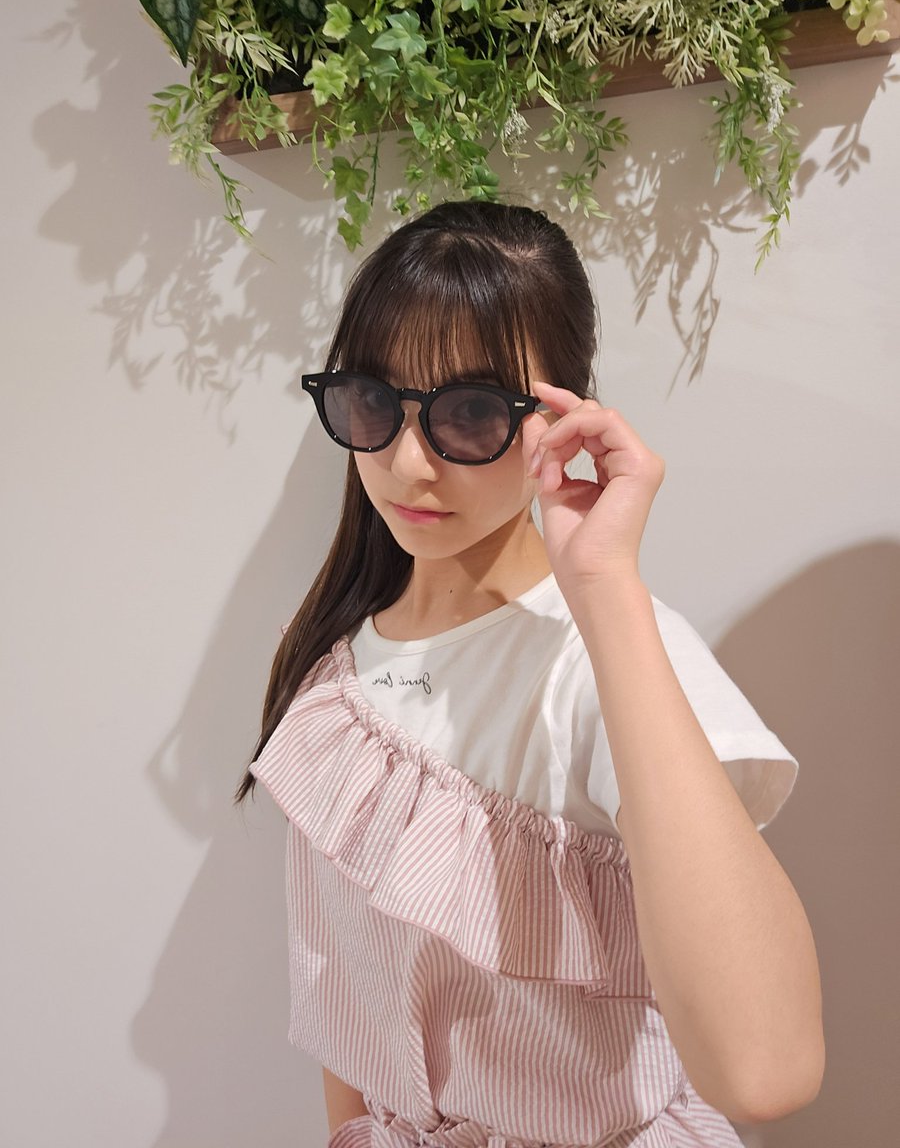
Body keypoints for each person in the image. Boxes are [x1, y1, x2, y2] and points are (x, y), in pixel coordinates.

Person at [236, 200, 824, 1147]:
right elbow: (352, 1018)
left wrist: (605, 585)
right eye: (373, 402)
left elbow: (766, 1071)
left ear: (562, 416)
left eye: (469, 413)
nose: (408, 462)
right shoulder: (335, 672)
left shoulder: (605, 660)